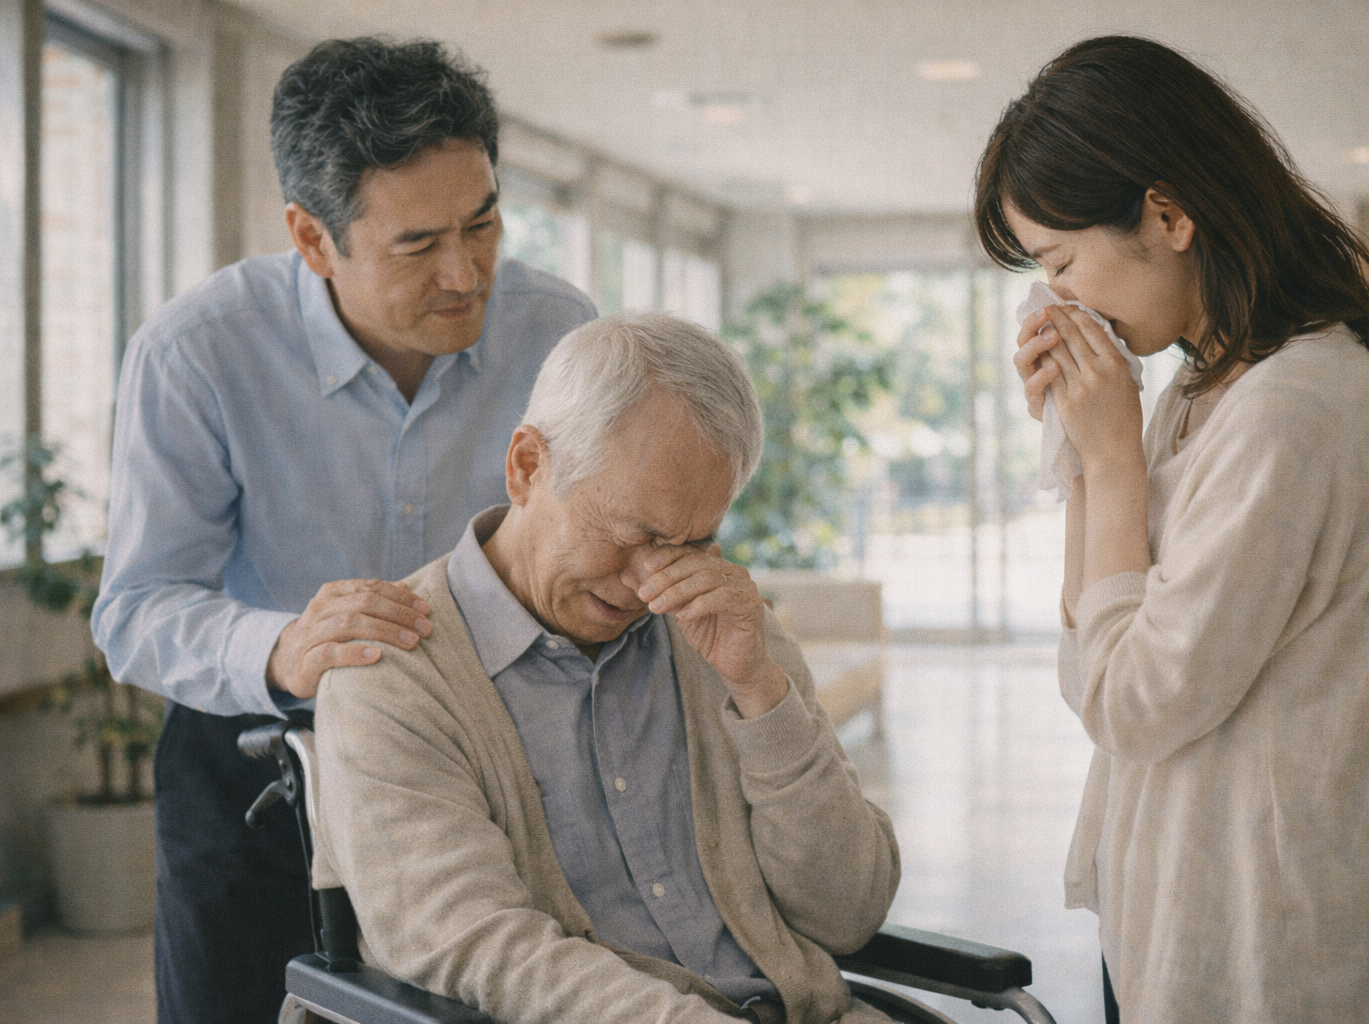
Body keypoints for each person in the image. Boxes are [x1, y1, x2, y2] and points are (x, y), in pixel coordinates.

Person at [91, 38, 595, 1024]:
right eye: (418, 244)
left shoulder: (558, 330)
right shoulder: (196, 353)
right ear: (313, 239)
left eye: (483, 223)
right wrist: (281, 647)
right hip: (252, 773)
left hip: (482, 772)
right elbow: (137, 609)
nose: (465, 273)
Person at [973, 36, 1369, 1024]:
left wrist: (1115, 456)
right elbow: (1093, 673)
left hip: (1284, 943)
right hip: (1190, 907)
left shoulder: (1295, 407)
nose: (1060, 299)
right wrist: (1086, 450)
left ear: (1165, 213)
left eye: (1062, 261)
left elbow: (1137, 702)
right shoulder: (1204, 390)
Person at [309, 312, 901, 1024]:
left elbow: (850, 912)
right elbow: (474, 944)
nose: (651, 582)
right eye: (637, 535)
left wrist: (762, 695)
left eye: (694, 541)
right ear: (527, 466)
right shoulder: (391, 675)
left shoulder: (725, 630)